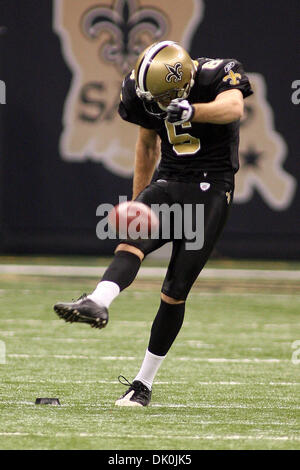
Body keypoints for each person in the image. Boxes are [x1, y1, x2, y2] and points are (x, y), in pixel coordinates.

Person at [54, 40, 253, 407]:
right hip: (169, 179)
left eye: (162, 99)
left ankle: (142, 383)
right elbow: (147, 145)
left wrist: (190, 110)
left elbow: (233, 107)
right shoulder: (139, 90)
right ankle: (98, 301)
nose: (153, 104)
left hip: (211, 186)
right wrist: (137, 202)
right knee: (132, 241)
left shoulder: (216, 73)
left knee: (174, 289)